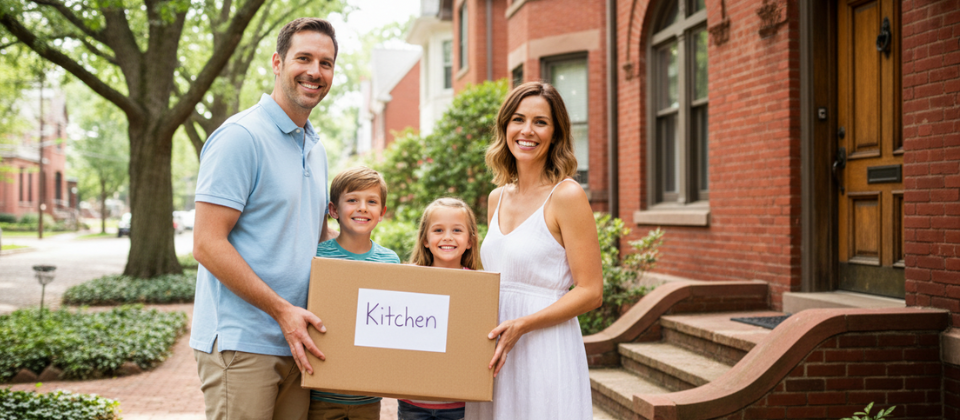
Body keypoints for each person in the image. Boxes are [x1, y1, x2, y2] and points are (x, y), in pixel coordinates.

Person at [190, 18, 339, 420]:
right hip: (242, 343)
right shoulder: (241, 137)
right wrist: (282, 311)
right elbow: (206, 244)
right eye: (303, 58)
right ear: (277, 62)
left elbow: (315, 238)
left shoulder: (315, 147)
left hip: (297, 341)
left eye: (325, 63)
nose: (314, 71)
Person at [464, 81, 603, 420]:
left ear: (555, 133)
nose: (527, 130)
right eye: (518, 119)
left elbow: (591, 292)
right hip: (495, 348)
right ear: (505, 127)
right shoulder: (497, 197)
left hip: (544, 346)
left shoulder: (566, 196)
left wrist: (523, 325)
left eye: (540, 122)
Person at [309, 166, 401, 420]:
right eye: (352, 200)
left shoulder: (390, 261)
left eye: (371, 202)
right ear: (334, 210)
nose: (362, 208)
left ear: (381, 213)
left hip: (367, 396)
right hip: (320, 394)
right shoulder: (319, 255)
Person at [398, 197, 481, 420]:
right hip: (412, 401)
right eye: (438, 230)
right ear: (425, 240)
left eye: (457, 230)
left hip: (458, 403)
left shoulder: (479, 288)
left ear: (470, 241)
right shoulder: (408, 280)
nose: (447, 237)